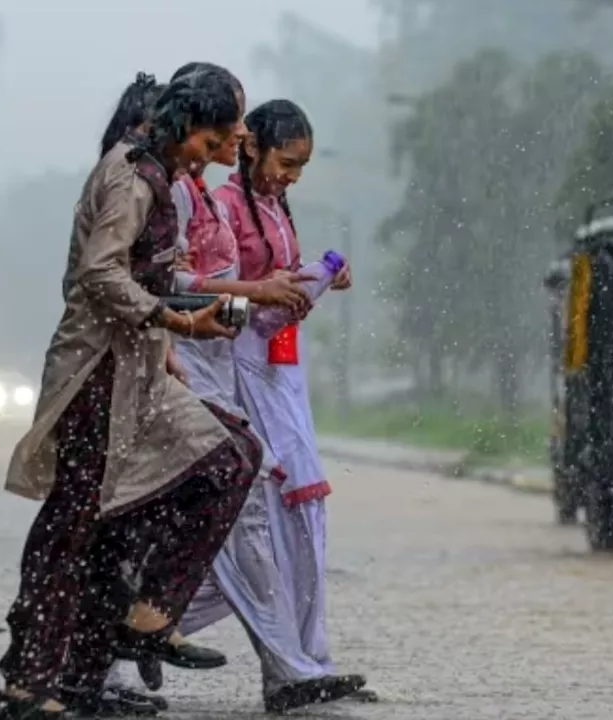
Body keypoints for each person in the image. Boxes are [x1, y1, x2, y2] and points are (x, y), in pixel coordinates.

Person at [0, 67, 262, 720]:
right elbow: (98, 274)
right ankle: (29, 687)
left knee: (227, 457)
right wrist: (174, 322)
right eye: (214, 139)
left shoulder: (162, 177)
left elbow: (153, 274)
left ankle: (140, 621)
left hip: (139, 367)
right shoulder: (130, 175)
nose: (216, 153)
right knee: (75, 524)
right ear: (183, 126)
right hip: (96, 375)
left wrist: (188, 320)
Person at [104, 70, 364, 715]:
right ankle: (131, 648)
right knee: (226, 514)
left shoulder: (205, 195)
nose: (239, 132)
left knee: (263, 518)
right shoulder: (163, 190)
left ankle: (271, 659)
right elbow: (143, 283)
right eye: (232, 124)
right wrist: (255, 294)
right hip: (193, 364)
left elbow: (199, 284)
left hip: (237, 363)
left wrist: (294, 284)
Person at [213, 99, 374, 710]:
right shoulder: (222, 209)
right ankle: (289, 665)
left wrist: (317, 276)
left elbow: (277, 286)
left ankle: (307, 659)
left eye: (302, 166)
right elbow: (214, 296)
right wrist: (267, 295)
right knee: (257, 521)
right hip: (238, 372)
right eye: (286, 162)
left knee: (303, 519)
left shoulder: (277, 207)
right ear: (250, 145)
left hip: (283, 372)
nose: (291, 176)